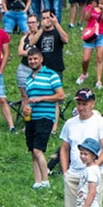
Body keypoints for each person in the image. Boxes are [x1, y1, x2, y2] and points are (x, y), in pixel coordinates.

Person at [23, 48, 63, 189]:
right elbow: (28, 99)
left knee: (38, 150)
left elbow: (60, 95)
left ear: (41, 59)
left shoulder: (51, 75)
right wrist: (25, 108)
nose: (32, 61)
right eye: (30, 59)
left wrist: (42, 98)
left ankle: (45, 181)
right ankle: (37, 181)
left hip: (45, 116)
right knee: (32, 150)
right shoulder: (28, 79)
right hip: (31, 117)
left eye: (35, 58)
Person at [76, 0, 103, 90]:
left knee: (99, 58)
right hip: (90, 33)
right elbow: (86, 18)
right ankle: (84, 73)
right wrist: (92, 7)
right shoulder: (89, 7)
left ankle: (99, 80)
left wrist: (102, 10)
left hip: (102, 34)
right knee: (85, 58)